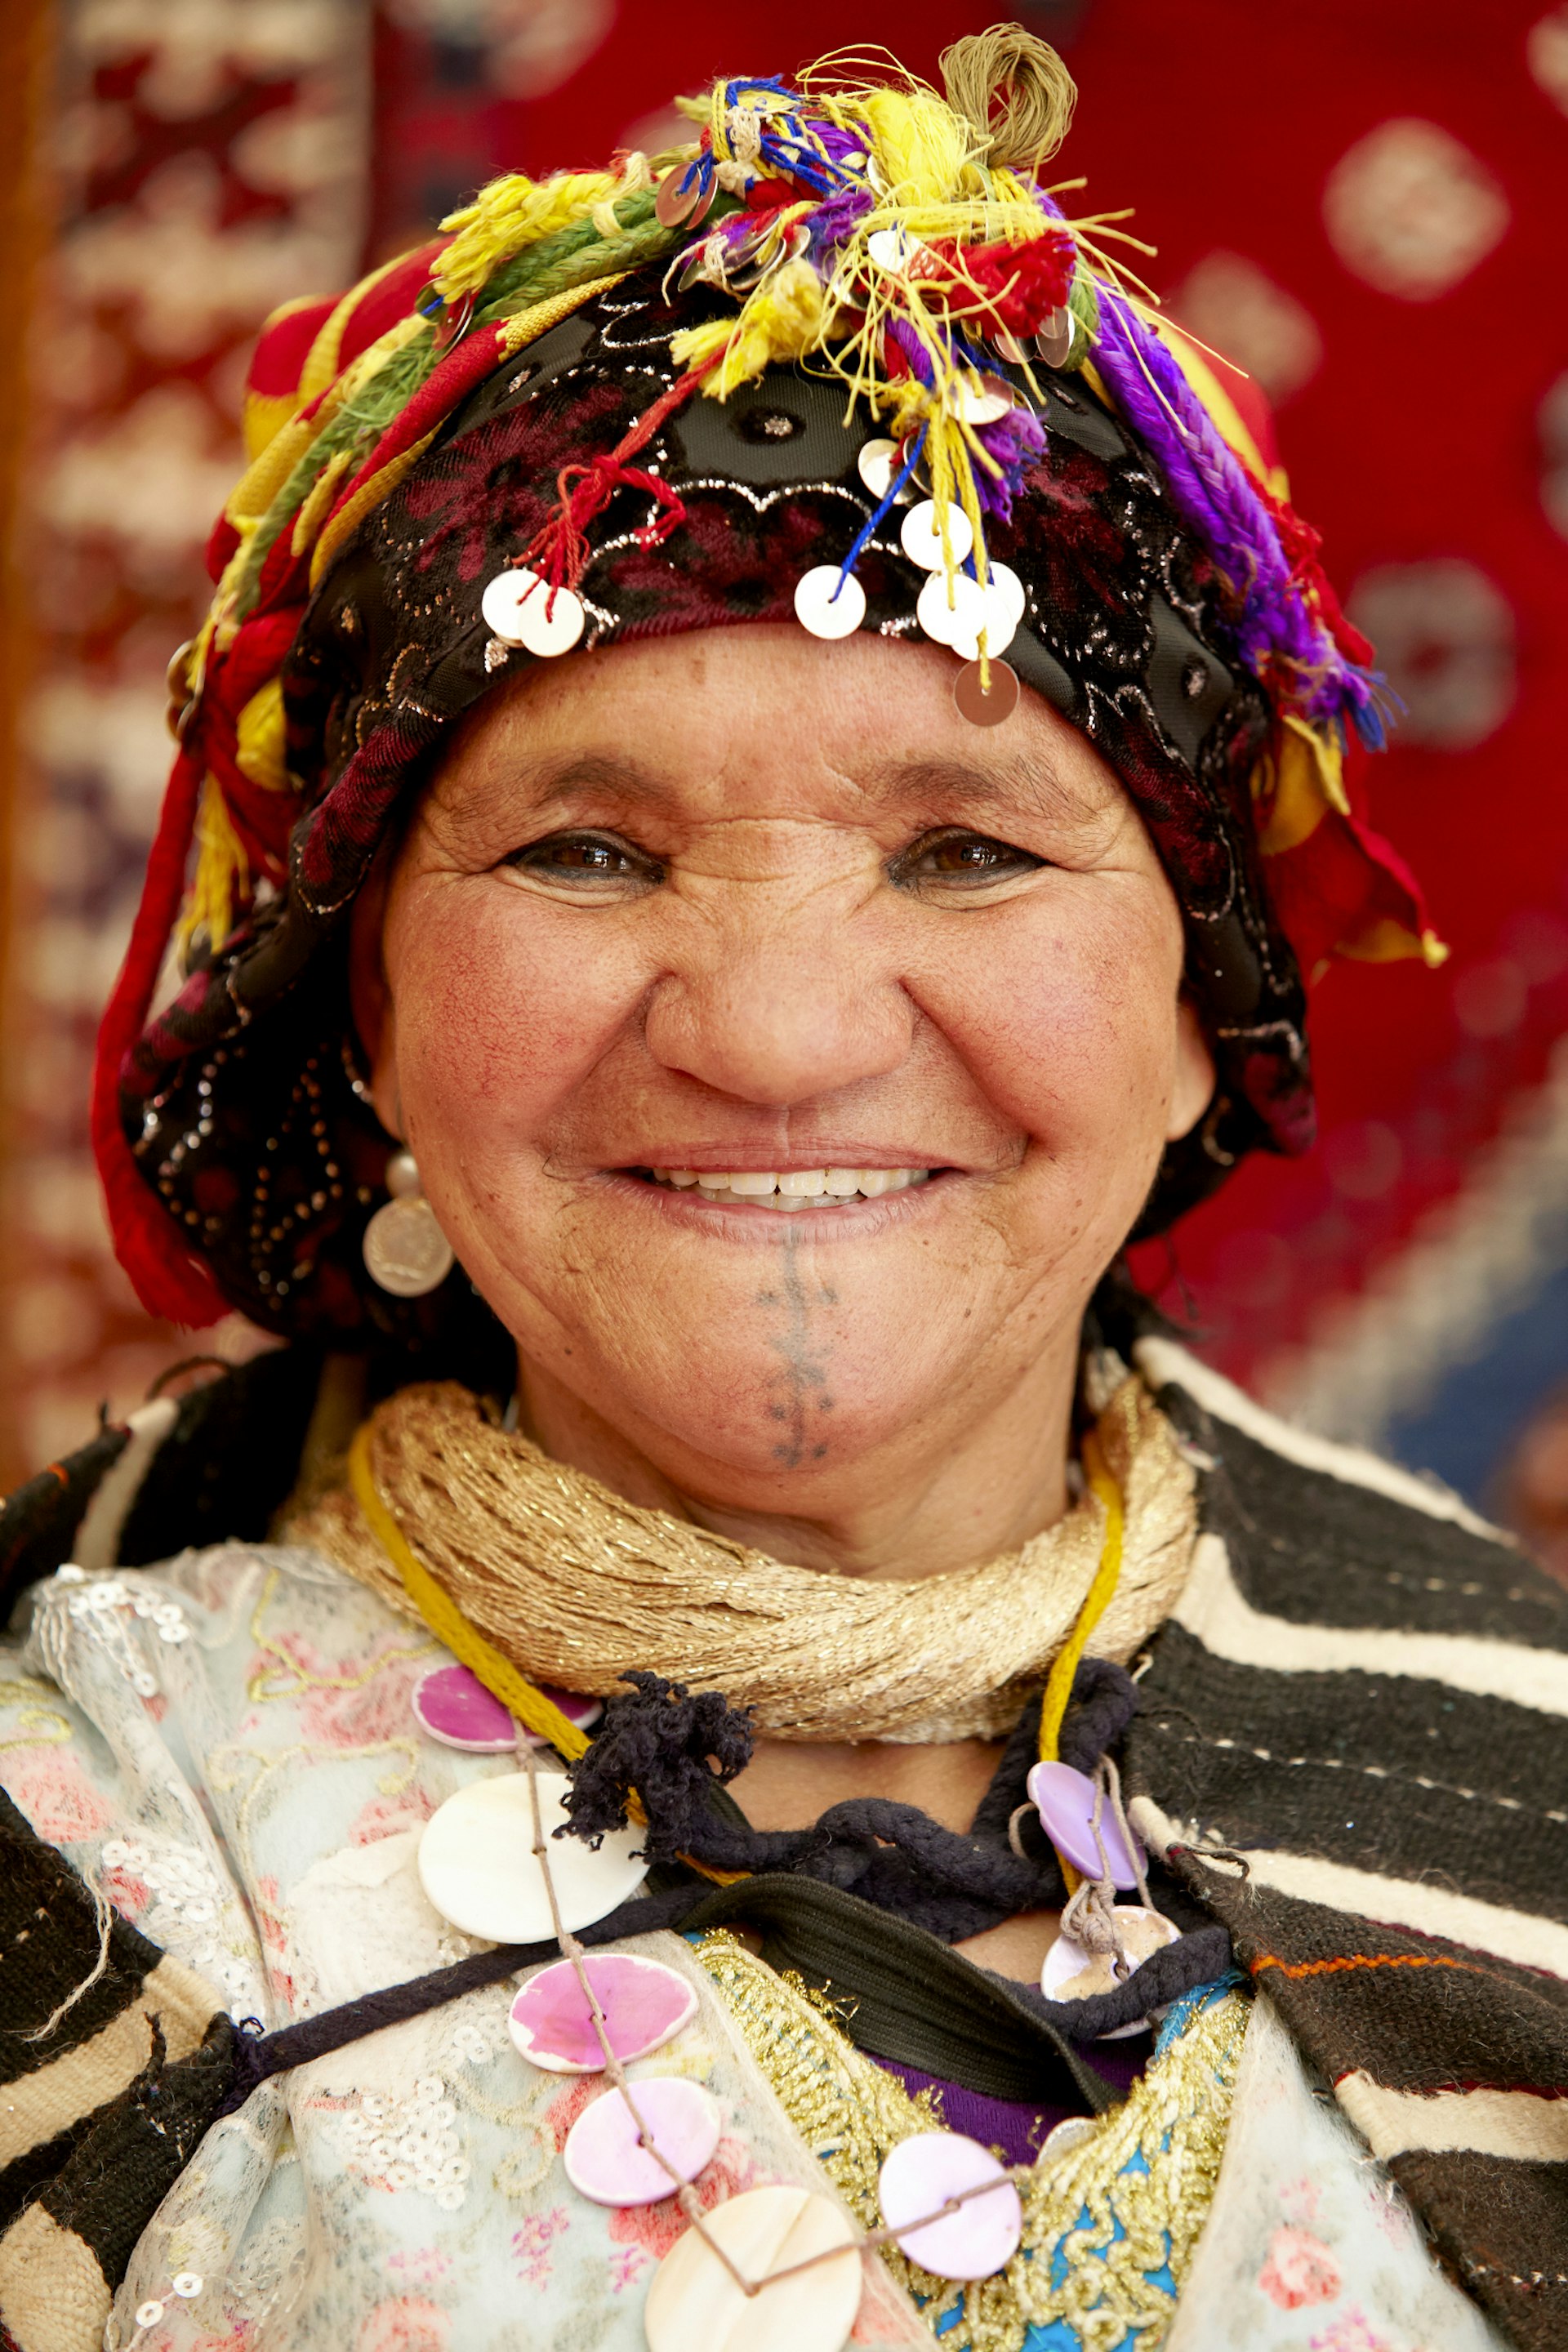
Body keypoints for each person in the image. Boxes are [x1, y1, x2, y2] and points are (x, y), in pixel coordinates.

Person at [0, 30, 1559, 2352]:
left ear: (1192, 1015)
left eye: (964, 849)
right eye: (589, 850)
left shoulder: (1518, 1784)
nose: (778, 1028)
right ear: (368, 1014)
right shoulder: (85, 1806)